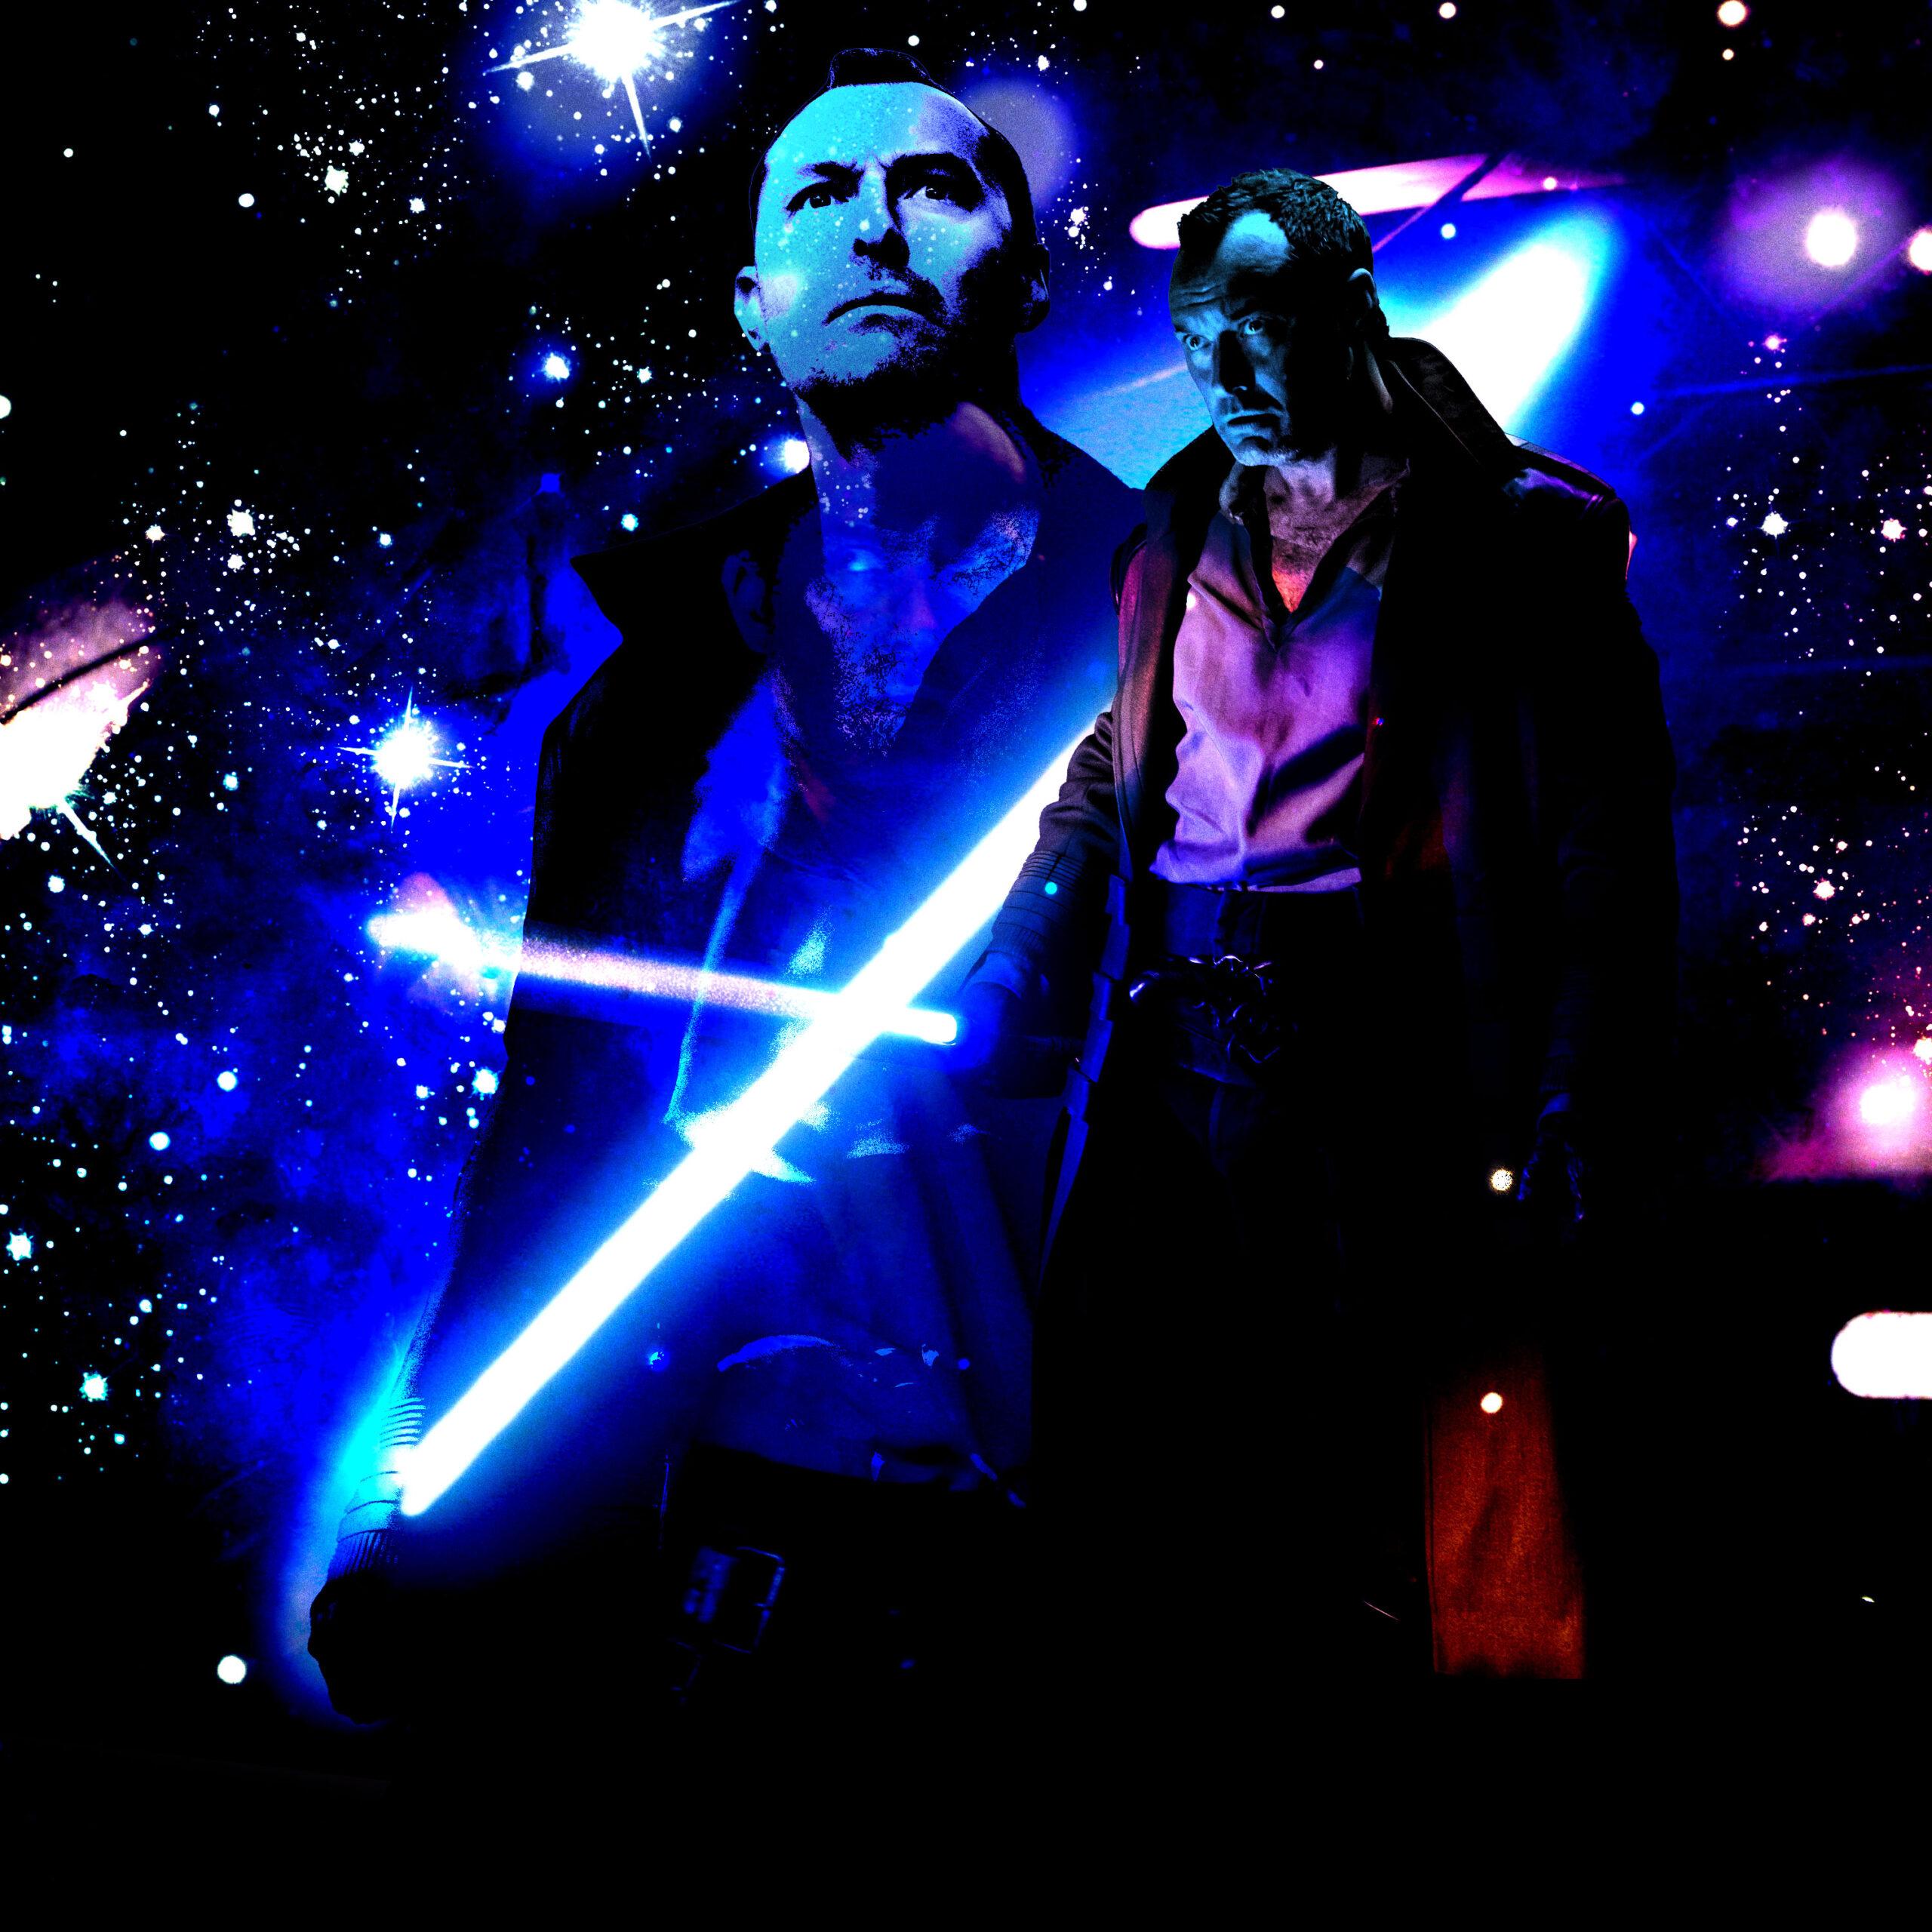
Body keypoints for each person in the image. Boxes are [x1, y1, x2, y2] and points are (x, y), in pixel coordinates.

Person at [309, 48, 1136, 1829]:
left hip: (1040, 1530)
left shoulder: (1171, 618)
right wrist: (433, 1516)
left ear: (1022, 273)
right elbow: (553, 1128)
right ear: (755, 301)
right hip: (669, 1497)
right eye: (818, 198)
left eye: (931, 187)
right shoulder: (647, 697)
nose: (874, 230)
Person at [959, 168, 1677, 1697]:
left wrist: (1577, 1087)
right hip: (1169, 1066)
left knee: (1385, 1493)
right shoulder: (1170, 527)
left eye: (1255, 328)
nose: (1218, 370)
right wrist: (1026, 943)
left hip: (1396, 1072)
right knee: (1131, 1473)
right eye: (1193, 338)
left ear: (1351, 310)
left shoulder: (1525, 540)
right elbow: (1118, 760)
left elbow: (1605, 847)